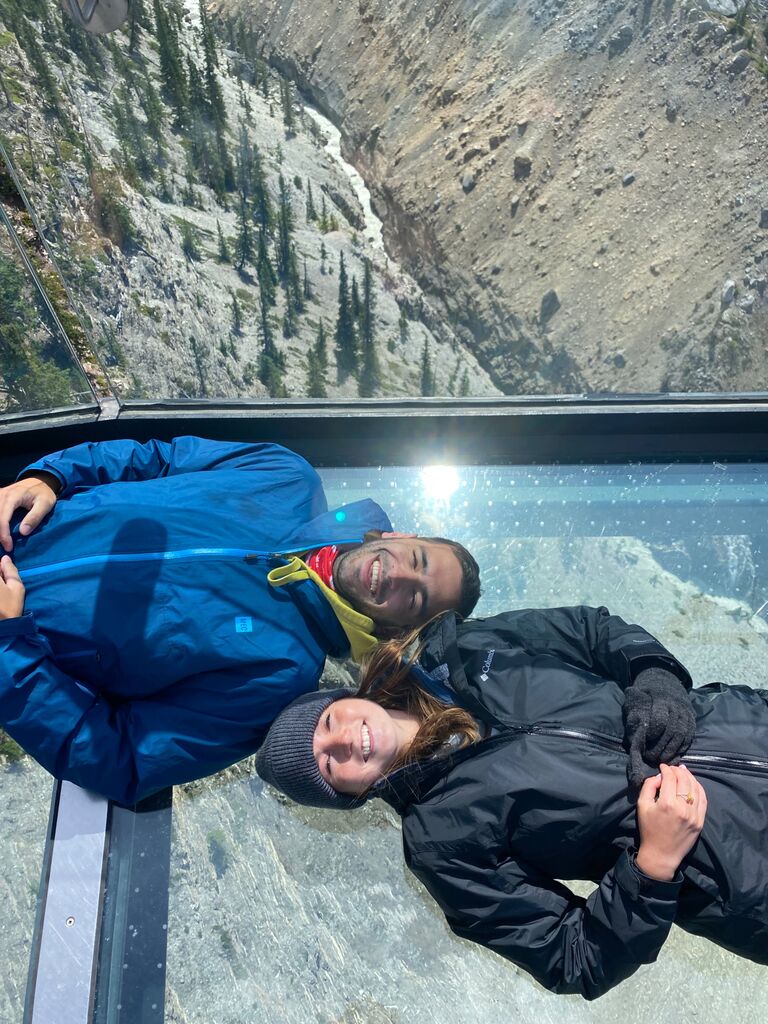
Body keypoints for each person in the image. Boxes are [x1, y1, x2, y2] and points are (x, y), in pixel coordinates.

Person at [255, 605, 768, 1000]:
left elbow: (592, 630)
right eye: (328, 764)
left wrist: (655, 679)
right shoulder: (440, 845)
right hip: (749, 875)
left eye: (327, 724)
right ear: (350, 796)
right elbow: (573, 958)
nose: (343, 740)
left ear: (341, 700)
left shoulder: (463, 648)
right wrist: (653, 865)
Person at [0, 436, 480, 804]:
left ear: (398, 631)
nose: (396, 574)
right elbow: (156, 458)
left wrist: (10, 647)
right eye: (416, 559)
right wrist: (51, 477)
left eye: (415, 600)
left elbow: (121, 757)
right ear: (404, 535)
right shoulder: (287, 475)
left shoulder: (279, 676)